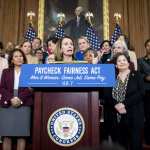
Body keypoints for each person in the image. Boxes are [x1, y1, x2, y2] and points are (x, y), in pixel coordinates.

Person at [102, 52, 144, 150]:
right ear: (116, 65)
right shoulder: (111, 77)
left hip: (134, 116)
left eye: (124, 60)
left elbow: (141, 93)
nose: (122, 62)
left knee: (135, 145)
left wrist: (123, 104)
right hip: (116, 118)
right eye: (119, 61)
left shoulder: (136, 75)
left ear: (128, 63)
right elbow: (107, 96)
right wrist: (116, 105)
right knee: (120, 146)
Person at [0, 49, 33, 150]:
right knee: (6, 135)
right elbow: (2, 88)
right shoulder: (6, 72)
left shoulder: (29, 70)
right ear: (12, 60)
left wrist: (20, 99)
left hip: (24, 103)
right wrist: (11, 99)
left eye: (21, 56)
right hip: (7, 104)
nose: (19, 58)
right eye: (16, 56)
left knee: (21, 135)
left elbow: (30, 88)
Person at [138, 38, 150, 145]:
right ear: (145, 47)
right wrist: (146, 77)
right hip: (147, 92)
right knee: (148, 116)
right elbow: (138, 75)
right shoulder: (140, 60)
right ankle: (148, 139)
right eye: (148, 45)